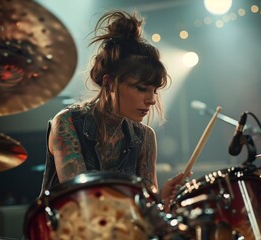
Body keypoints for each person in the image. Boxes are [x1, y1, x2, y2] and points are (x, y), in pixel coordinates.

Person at [40, 10, 188, 212]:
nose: (152, 99)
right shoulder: (67, 124)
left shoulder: (145, 137)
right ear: (109, 83)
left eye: (154, 90)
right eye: (141, 88)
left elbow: (144, 217)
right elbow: (83, 203)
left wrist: (161, 202)